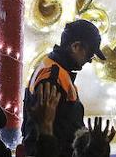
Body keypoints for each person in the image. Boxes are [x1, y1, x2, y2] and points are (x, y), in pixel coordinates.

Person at [22, 19, 106, 157]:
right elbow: (46, 132)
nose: (90, 60)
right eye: (90, 53)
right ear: (76, 46)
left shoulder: (56, 70)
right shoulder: (52, 78)